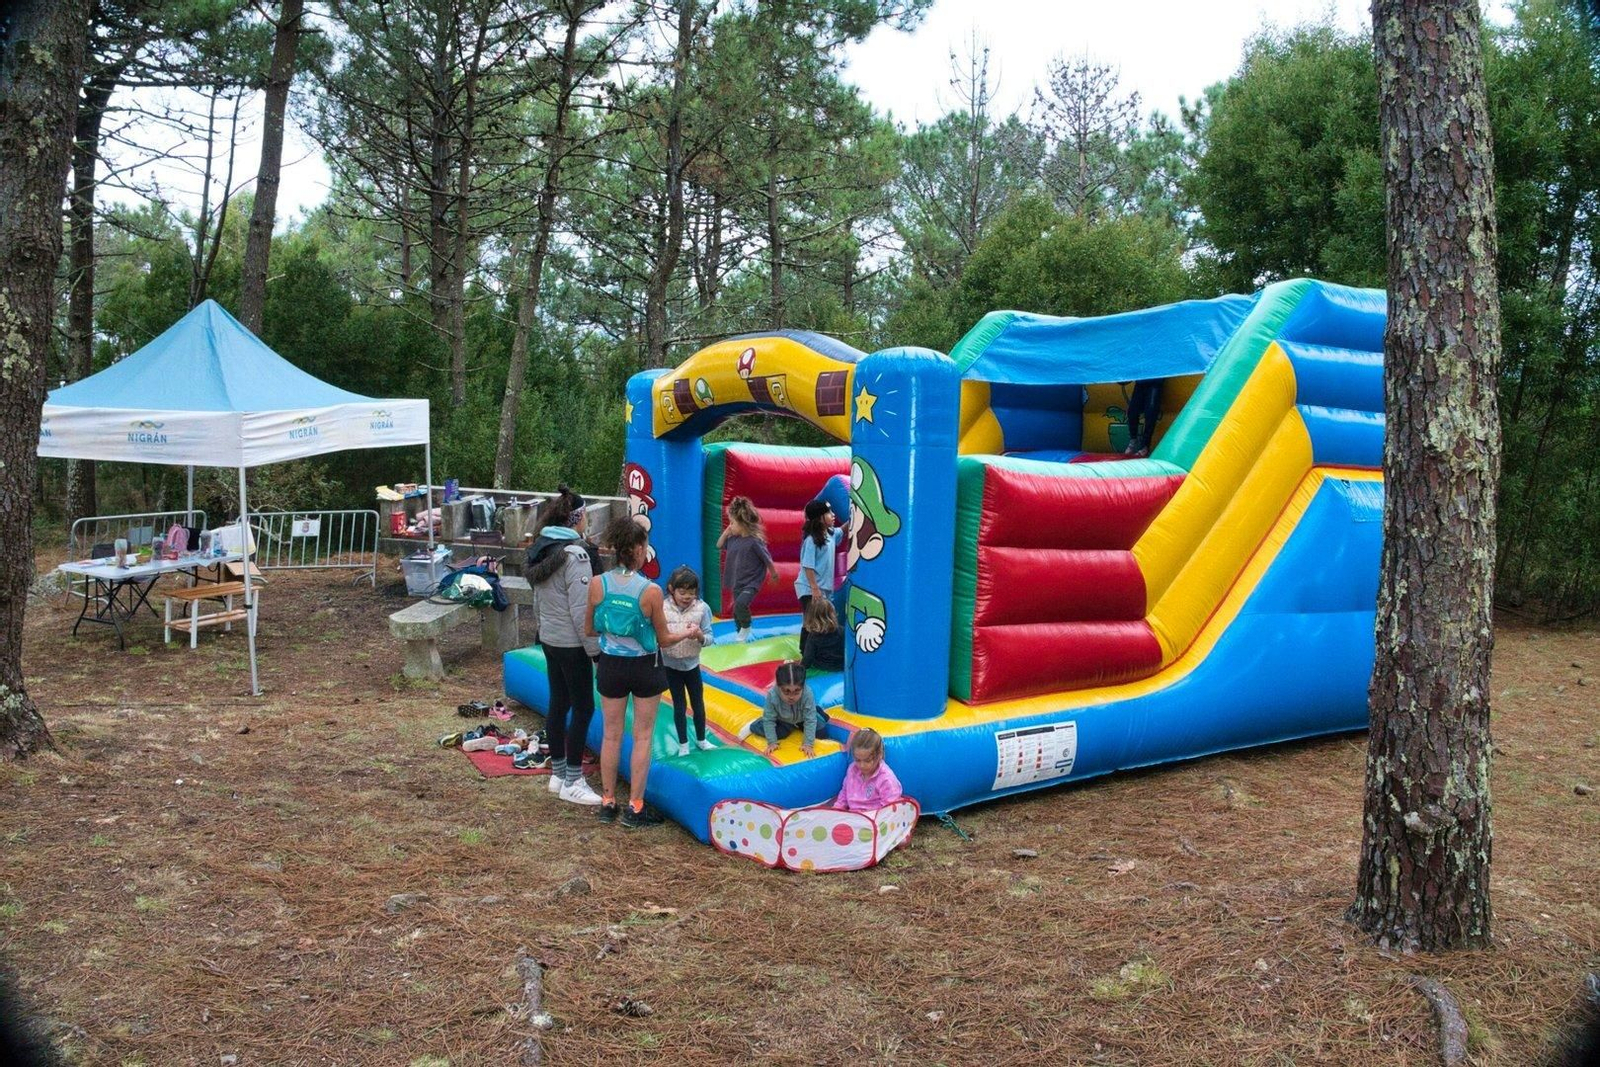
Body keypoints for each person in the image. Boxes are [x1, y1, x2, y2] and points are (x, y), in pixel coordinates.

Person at [587, 518, 677, 827]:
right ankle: (635, 807)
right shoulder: (650, 591)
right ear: (638, 549)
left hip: (610, 664)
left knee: (611, 735)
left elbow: (589, 628)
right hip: (644, 667)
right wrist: (688, 632)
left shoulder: (599, 583)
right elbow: (663, 639)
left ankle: (608, 802)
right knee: (642, 736)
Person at [525, 485, 604, 806]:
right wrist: (595, 651)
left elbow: (538, 600)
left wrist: (543, 631)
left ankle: (558, 774)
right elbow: (581, 609)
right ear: (579, 517)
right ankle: (573, 778)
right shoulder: (576, 555)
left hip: (549, 638)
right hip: (572, 643)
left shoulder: (542, 549)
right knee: (584, 706)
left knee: (559, 703)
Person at [661, 565, 716, 756]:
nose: (686, 597)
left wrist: (700, 636)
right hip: (670, 665)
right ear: (671, 589)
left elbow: (710, 638)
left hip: (692, 666)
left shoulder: (702, 609)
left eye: (691, 593)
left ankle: (701, 739)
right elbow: (658, 634)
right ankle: (683, 743)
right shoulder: (662, 607)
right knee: (679, 705)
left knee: (697, 703)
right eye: (682, 592)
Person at [718, 496, 777, 642]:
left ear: (743, 524)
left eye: (733, 523)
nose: (730, 526)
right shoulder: (733, 539)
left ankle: (746, 626)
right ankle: (741, 634)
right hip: (738, 581)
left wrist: (774, 573)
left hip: (752, 581)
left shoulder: (754, 541)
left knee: (740, 604)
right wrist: (726, 532)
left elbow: (767, 558)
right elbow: (719, 545)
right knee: (736, 612)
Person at [738, 661, 827, 758]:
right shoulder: (773, 695)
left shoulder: (807, 693)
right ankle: (756, 725)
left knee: (821, 732)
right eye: (786, 692)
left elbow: (810, 720)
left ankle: (815, 710)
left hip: (802, 716)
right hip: (783, 719)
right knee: (781, 733)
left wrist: (808, 744)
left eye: (796, 692)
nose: (791, 697)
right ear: (779, 687)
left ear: (803, 687)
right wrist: (772, 742)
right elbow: (769, 720)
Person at [832, 727, 902, 811]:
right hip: (853, 816)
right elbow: (844, 795)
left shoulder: (886, 779)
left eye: (867, 761)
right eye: (857, 760)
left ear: (879, 755)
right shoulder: (852, 769)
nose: (862, 765)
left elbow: (890, 809)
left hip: (875, 819)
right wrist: (836, 810)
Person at [794, 499, 841, 612]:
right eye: (829, 512)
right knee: (815, 623)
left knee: (817, 623)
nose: (833, 515)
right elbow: (808, 566)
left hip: (823, 588)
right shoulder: (811, 540)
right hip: (810, 589)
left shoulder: (830, 534)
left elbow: (843, 530)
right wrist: (814, 588)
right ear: (819, 518)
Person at [799, 596, 845, 672]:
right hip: (840, 665)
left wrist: (800, 667)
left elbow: (808, 658)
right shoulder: (841, 630)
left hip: (822, 666)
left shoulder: (813, 636)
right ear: (832, 614)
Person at [1124, 378, 1164, 456]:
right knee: (1132, 412)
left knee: (1150, 414)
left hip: (1155, 383)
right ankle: (1133, 439)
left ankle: (1145, 446)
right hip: (1141, 382)